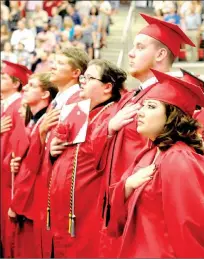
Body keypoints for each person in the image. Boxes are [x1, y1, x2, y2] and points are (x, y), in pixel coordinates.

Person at [97, 13, 195, 257]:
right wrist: (109, 128)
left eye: (139, 47)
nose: (130, 53)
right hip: (118, 204)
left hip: (142, 215)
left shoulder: (169, 101)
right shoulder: (132, 97)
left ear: (161, 54)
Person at [107, 69, 204, 258]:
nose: (141, 112)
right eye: (142, 106)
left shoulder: (179, 160)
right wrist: (127, 186)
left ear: (172, 117)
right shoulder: (149, 153)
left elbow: (191, 231)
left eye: (151, 107)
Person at [42, 59, 126, 258]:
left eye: (89, 78)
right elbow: (66, 148)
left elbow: (95, 154)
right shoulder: (78, 109)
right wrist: (52, 150)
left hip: (88, 208)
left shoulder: (113, 113)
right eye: (83, 77)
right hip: (63, 205)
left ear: (107, 87)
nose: (83, 82)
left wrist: (108, 129)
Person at [13, 47, 90, 258]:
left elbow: (72, 151)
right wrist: (43, 140)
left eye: (60, 63)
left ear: (76, 72)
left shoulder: (78, 102)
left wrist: (52, 150)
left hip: (59, 191)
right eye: (53, 61)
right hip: (46, 184)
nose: (53, 66)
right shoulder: (57, 103)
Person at [9, 72, 58, 258]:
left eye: (31, 85)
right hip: (25, 196)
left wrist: (17, 204)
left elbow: (34, 168)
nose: (25, 88)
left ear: (45, 94)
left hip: (33, 201)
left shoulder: (45, 122)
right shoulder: (33, 122)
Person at [0, 60, 32, 258]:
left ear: (16, 83)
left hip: (8, 179)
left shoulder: (18, 107)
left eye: (4, 77)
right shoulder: (5, 105)